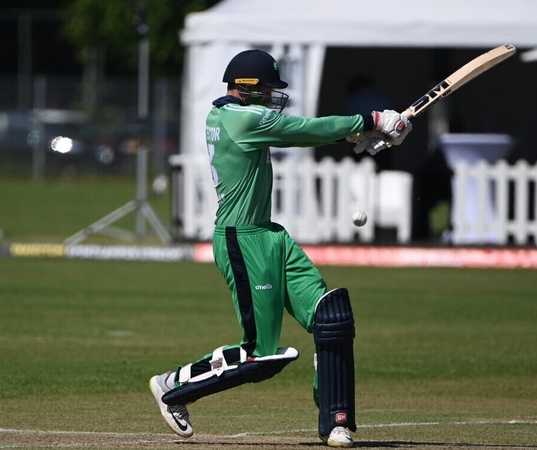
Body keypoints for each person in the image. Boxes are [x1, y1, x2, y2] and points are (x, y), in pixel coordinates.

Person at [149, 49, 412, 448]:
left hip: (271, 236)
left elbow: (308, 132)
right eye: (268, 89)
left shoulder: (239, 116)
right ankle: (174, 387)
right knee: (261, 357)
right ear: (248, 88)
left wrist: (362, 135)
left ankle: (335, 422)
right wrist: (371, 120)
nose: (274, 96)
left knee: (331, 318)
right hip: (242, 240)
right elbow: (304, 130)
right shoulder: (236, 118)